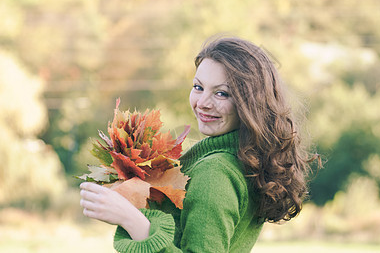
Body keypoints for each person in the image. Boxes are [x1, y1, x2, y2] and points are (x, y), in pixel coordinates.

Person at [80, 36, 313, 252]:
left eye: (221, 94)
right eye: (198, 87)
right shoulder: (244, 160)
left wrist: (131, 219)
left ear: (250, 103)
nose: (202, 103)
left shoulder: (215, 173)